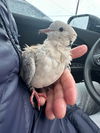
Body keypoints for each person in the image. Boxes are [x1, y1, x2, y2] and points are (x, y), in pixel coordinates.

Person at [0, 0, 100, 133]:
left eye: (59, 29)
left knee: (96, 86)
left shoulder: (64, 59)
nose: (49, 30)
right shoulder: (34, 57)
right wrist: (30, 89)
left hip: (44, 105)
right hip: (29, 113)